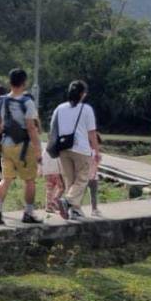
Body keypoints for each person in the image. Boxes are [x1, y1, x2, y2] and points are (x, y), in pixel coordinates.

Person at [0, 68, 42, 225]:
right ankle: (28, 213)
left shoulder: (1, 100)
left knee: (6, 179)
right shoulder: (27, 102)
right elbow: (31, 127)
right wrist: (38, 149)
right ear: (24, 82)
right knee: (29, 180)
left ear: (10, 81)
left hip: (6, 144)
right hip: (24, 146)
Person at [48, 80, 99, 220]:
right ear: (82, 94)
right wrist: (97, 151)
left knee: (70, 180)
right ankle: (67, 201)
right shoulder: (86, 109)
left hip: (64, 149)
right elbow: (92, 133)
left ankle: (74, 211)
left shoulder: (59, 108)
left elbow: (53, 129)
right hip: (81, 149)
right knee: (82, 179)